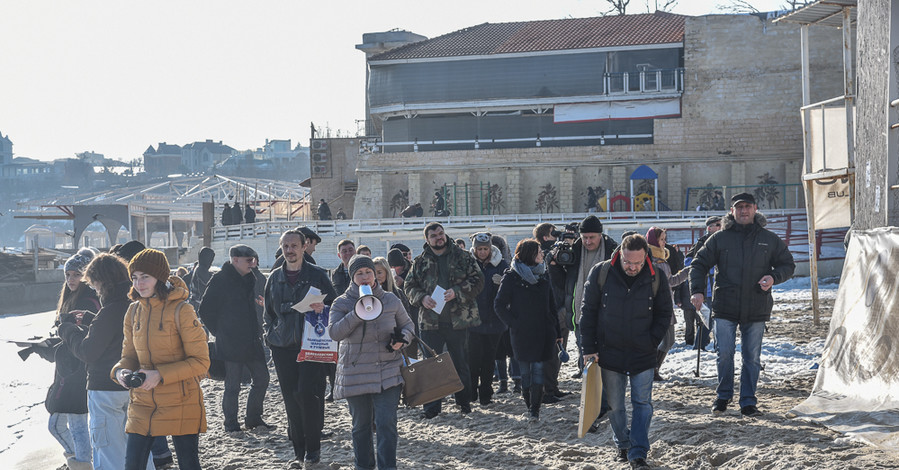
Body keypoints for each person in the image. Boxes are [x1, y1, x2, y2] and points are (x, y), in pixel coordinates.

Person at [690, 193, 795, 417]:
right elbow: (698, 264)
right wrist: (697, 291)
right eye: (739, 207)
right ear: (732, 211)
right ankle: (723, 396)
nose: (744, 211)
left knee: (751, 357)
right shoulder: (720, 238)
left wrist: (774, 278)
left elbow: (788, 264)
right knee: (725, 353)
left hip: (757, 306)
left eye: (748, 207)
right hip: (725, 306)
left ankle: (748, 401)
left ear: (755, 209)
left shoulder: (769, 238)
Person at [580, 234, 673, 469]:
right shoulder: (601, 273)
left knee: (643, 403)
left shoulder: (657, 276)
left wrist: (651, 340)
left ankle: (638, 451)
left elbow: (664, 313)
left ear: (646, 257)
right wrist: (589, 348)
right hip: (609, 352)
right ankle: (622, 443)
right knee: (615, 405)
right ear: (620, 255)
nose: (633, 267)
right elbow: (587, 312)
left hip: (643, 353)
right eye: (628, 262)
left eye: (638, 263)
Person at [112, 248, 210, 470]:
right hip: (143, 402)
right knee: (132, 465)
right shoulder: (133, 311)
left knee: (188, 464)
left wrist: (160, 375)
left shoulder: (182, 310)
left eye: (145, 276)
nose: (139, 284)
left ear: (160, 277)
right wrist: (120, 372)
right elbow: (128, 356)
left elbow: (201, 362)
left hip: (182, 400)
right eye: (135, 278)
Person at [328, 255, 414, 470]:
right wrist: (357, 312)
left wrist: (402, 340)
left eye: (369, 272)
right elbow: (335, 333)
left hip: (388, 369)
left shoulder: (391, 299)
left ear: (376, 274)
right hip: (355, 372)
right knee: (361, 426)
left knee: (386, 424)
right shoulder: (342, 302)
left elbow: (409, 326)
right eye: (359, 273)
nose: (365, 277)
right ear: (352, 277)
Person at [57, 253, 143, 470]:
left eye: (94, 284)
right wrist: (89, 319)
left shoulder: (111, 310)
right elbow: (115, 335)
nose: (94, 289)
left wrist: (67, 331)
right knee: (137, 450)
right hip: (135, 384)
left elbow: (89, 352)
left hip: (106, 389)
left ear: (103, 281)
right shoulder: (135, 304)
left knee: (108, 452)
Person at [264, 230, 338, 468]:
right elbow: (269, 314)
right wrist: (271, 335)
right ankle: (299, 452)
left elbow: (334, 305)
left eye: (294, 245)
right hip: (282, 347)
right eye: (285, 246)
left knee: (308, 395)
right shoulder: (273, 278)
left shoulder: (317, 275)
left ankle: (313, 450)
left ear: (304, 246)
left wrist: (322, 307)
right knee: (290, 400)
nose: (290, 250)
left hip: (311, 346)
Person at [404, 222, 484, 418]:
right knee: (431, 365)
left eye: (441, 233)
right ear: (427, 239)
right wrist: (422, 298)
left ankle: (464, 403)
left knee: (460, 362)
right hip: (430, 322)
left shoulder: (463, 256)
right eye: (434, 235)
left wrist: (457, 292)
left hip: (458, 319)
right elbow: (409, 286)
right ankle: (432, 408)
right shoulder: (420, 261)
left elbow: (478, 280)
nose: (439, 237)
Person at [197, 244, 271, 433]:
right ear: (235, 260)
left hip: (252, 338)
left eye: (253, 260)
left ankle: (253, 418)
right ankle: (231, 423)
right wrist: (220, 331)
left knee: (262, 378)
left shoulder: (251, 277)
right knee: (233, 384)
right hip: (230, 340)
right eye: (249, 260)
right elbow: (204, 310)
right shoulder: (220, 279)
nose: (252, 263)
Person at [494, 239, 561, 421]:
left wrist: (558, 332)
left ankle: (534, 411)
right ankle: (529, 404)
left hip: (543, 332)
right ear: (529, 254)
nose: (542, 254)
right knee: (525, 374)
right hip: (522, 333)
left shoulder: (544, 275)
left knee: (538, 371)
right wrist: (514, 323)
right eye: (538, 251)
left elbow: (551, 305)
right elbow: (499, 305)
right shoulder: (512, 277)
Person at [47, 248, 100, 470]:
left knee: (69, 424)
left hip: (78, 371)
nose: (70, 279)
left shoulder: (88, 301)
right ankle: (80, 461)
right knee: (64, 423)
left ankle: (82, 463)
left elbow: (84, 339)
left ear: (87, 275)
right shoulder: (72, 298)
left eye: (76, 274)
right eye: (68, 274)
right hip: (70, 370)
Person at [548, 215, 618, 378]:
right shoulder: (573, 251)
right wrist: (553, 265)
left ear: (600, 235)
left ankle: (605, 387)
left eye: (591, 237)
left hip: (606, 311)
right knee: (583, 347)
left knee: (606, 350)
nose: (587, 241)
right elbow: (562, 284)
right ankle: (587, 381)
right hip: (580, 311)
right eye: (584, 237)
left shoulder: (612, 250)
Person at [467, 232, 508, 406]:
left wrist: (502, 284)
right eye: (479, 249)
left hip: (494, 320)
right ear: (474, 249)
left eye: (485, 249)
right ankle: (471, 392)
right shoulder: (468, 264)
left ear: (490, 248)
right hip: (473, 319)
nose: (482, 252)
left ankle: (486, 393)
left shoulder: (501, 264)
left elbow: (509, 291)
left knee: (489, 359)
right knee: (473, 358)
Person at [645, 227, 690, 381]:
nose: (665, 242)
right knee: (662, 340)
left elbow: (670, 282)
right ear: (653, 240)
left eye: (665, 239)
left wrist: (686, 272)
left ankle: (653, 369)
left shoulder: (662, 258)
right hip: (657, 307)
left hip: (666, 305)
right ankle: (652, 369)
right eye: (662, 239)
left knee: (669, 340)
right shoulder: (651, 260)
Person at [682, 216, 722, 350]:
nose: (720, 227)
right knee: (708, 319)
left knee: (718, 319)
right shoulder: (702, 242)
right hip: (707, 287)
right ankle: (699, 345)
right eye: (717, 224)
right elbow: (689, 262)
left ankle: (712, 345)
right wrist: (708, 268)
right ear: (709, 228)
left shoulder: (723, 240)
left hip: (719, 286)